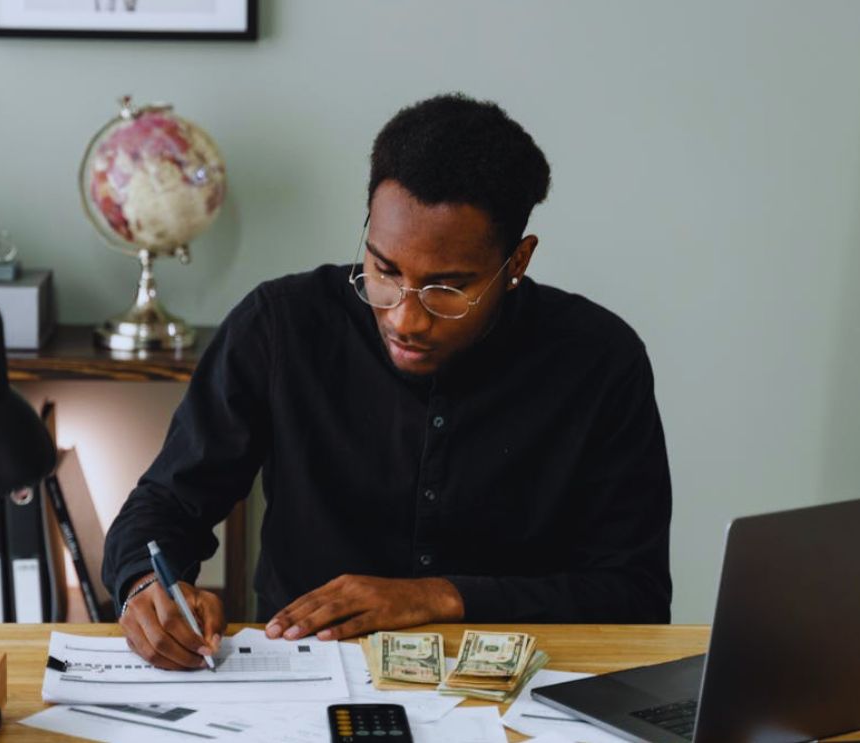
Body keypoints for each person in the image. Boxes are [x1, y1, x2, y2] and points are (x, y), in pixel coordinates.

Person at [103, 93, 672, 671]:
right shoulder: (281, 325)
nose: (405, 318)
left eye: (447, 288)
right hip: (305, 676)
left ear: (517, 262)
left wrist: (440, 597)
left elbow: (636, 595)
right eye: (384, 270)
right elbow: (168, 501)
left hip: (518, 684)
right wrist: (145, 586)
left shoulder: (599, 360)